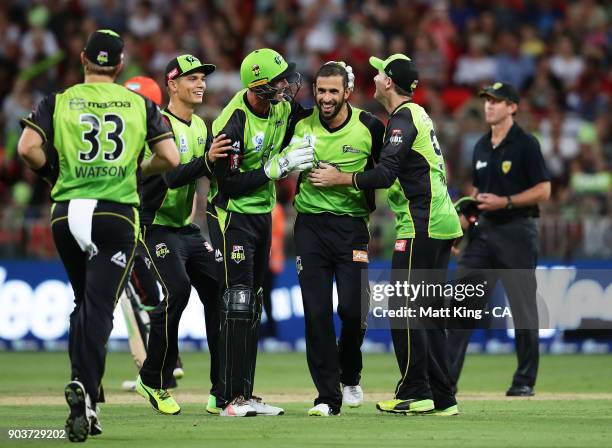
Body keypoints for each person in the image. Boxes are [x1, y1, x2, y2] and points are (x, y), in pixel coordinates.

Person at [17, 30, 179, 442]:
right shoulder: (140, 103)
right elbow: (170, 157)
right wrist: (134, 171)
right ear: (121, 65)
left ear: (84, 60)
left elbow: (27, 148)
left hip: (66, 210)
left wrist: (55, 173)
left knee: (82, 303)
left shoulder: (57, 101)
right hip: (114, 213)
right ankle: (87, 393)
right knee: (100, 307)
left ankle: (84, 389)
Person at [310, 54, 462, 416]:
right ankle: (443, 396)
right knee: (429, 314)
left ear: (389, 82)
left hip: (420, 225)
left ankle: (415, 391)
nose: (374, 77)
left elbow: (386, 174)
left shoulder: (402, 119)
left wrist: (341, 178)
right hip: (439, 222)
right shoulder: (417, 115)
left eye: (380, 73)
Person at [206, 48, 314, 417]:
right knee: (237, 302)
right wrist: (273, 170)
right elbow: (228, 185)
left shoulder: (281, 107)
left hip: (262, 215)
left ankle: (239, 394)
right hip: (232, 216)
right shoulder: (233, 122)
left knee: (251, 304)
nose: (286, 86)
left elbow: (315, 117)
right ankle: (231, 398)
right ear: (257, 86)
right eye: (278, 81)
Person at [131, 55, 233, 416]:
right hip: (152, 225)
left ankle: (222, 391)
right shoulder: (158, 124)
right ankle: (153, 378)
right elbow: (171, 175)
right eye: (192, 78)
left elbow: (203, 181)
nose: (201, 83)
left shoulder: (202, 127)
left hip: (184, 229)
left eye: (203, 77)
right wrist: (207, 162)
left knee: (221, 294)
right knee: (176, 290)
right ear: (172, 85)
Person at [289, 62, 384, 416]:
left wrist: (343, 178)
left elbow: (387, 175)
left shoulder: (369, 127)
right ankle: (327, 398)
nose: (326, 98)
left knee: (353, 310)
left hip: (351, 229)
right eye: (320, 91)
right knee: (316, 315)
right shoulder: (299, 124)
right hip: (310, 227)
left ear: (347, 92)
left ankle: (350, 373)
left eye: (333, 91)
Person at [447, 82, 551, 397]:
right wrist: (459, 227)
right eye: (487, 101)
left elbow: (544, 190)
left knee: (522, 309)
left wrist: (505, 202)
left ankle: (524, 381)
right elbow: (478, 194)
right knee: (460, 307)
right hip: (483, 233)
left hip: (517, 230)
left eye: (497, 101)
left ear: (512, 107)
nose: (490, 106)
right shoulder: (480, 145)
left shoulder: (526, 144)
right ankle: (445, 382)